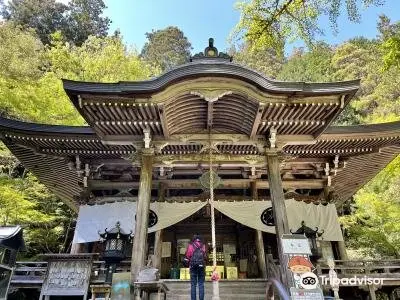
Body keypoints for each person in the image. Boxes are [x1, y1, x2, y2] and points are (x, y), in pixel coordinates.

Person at [184, 234, 206, 300]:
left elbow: (187, 256)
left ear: (194, 239)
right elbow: (205, 257)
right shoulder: (203, 246)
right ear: (200, 239)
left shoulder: (190, 246)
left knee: (193, 285)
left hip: (193, 267)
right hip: (201, 267)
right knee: (201, 284)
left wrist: (187, 263)